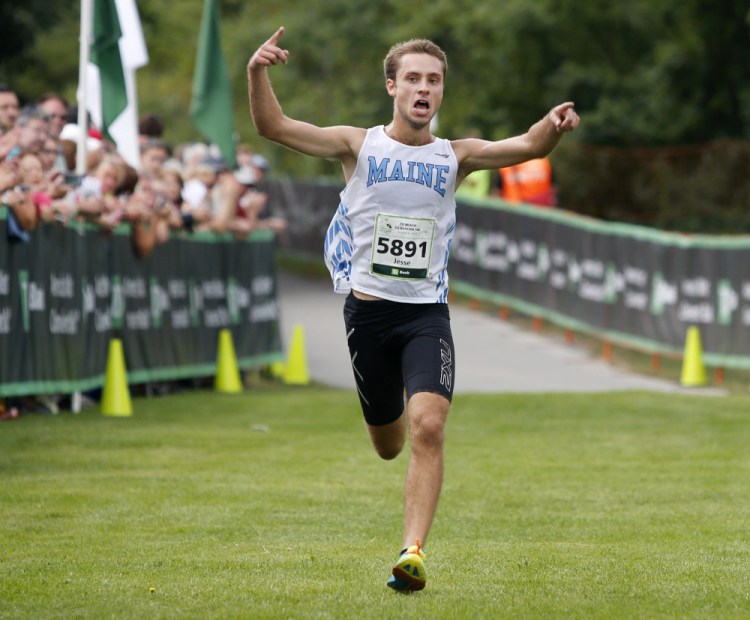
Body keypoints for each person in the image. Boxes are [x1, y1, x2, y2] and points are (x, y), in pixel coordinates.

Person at [248, 27, 579, 593]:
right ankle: (388, 420)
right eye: (414, 79)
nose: (424, 89)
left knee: (429, 426)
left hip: (426, 315)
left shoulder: (458, 157)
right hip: (368, 317)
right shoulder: (359, 145)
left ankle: (412, 553)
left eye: (434, 80)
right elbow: (274, 128)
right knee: (389, 443)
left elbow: (525, 147)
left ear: (441, 92)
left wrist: (550, 128)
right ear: (392, 87)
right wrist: (257, 72)